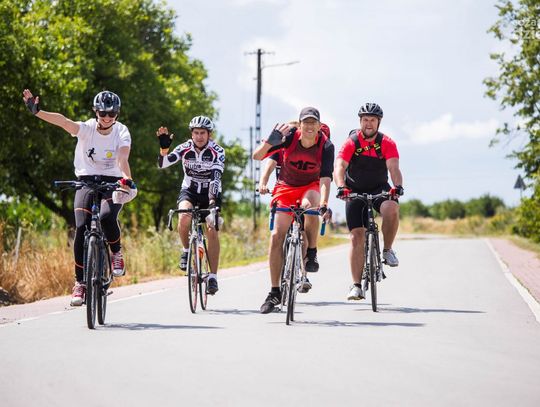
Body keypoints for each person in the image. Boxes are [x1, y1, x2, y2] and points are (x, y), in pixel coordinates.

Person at [22, 89, 137, 306]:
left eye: (112, 114)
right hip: (86, 181)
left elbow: (123, 158)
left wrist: (127, 179)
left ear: (117, 114)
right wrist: (38, 112)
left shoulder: (121, 131)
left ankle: (116, 253)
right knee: (82, 227)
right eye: (103, 113)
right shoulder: (87, 128)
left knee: (106, 217)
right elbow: (64, 122)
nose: (107, 118)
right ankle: (80, 283)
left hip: (113, 182)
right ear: (95, 111)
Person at [253, 107, 334, 314]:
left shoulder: (326, 145)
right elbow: (257, 156)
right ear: (300, 125)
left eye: (313, 123)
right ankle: (274, 292)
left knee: (311, 206)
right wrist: (269, 142)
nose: (309, 126)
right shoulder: (288, 137)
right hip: (286, 187)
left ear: (319, 126)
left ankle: (312, 252)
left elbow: (325, 178)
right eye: (305, 122)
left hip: (310, 186)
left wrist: (324, 203)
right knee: (276, 235)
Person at [334, 102, 404, 301]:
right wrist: (341, 187)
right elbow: (339, 167)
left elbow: (394, 168)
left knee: (391, 207)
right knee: (357, 237)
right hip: (353, 191)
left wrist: (397, 186)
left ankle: (387, 250)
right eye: (365, 119)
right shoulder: (351, 142)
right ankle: (356, 286)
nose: (368, 123)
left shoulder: (387, 142)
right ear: (360, 121)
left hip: (378, 188)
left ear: (378, 122)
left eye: (372, 120)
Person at [156, 116, 224, 295]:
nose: (199, 136)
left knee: (212, 228)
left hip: (210, 192)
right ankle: (186, 250)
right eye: (196, 133)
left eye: (203, 133)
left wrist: (212, 203)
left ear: (209, 134)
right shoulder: (184, 148)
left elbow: (215, 178)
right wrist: (164, 149)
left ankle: (213, 277)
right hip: (190, 190)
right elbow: (162, 164)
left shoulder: (217, 151)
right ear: (191, 134)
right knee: (184, 215)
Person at [258, 121, 331, 195]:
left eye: (292, 133)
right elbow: (268, 168)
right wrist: (262, 184)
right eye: (287, 133)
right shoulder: (278, 150)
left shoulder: (315, 151)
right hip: (285, 190)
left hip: (309, 189)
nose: (288, 136)